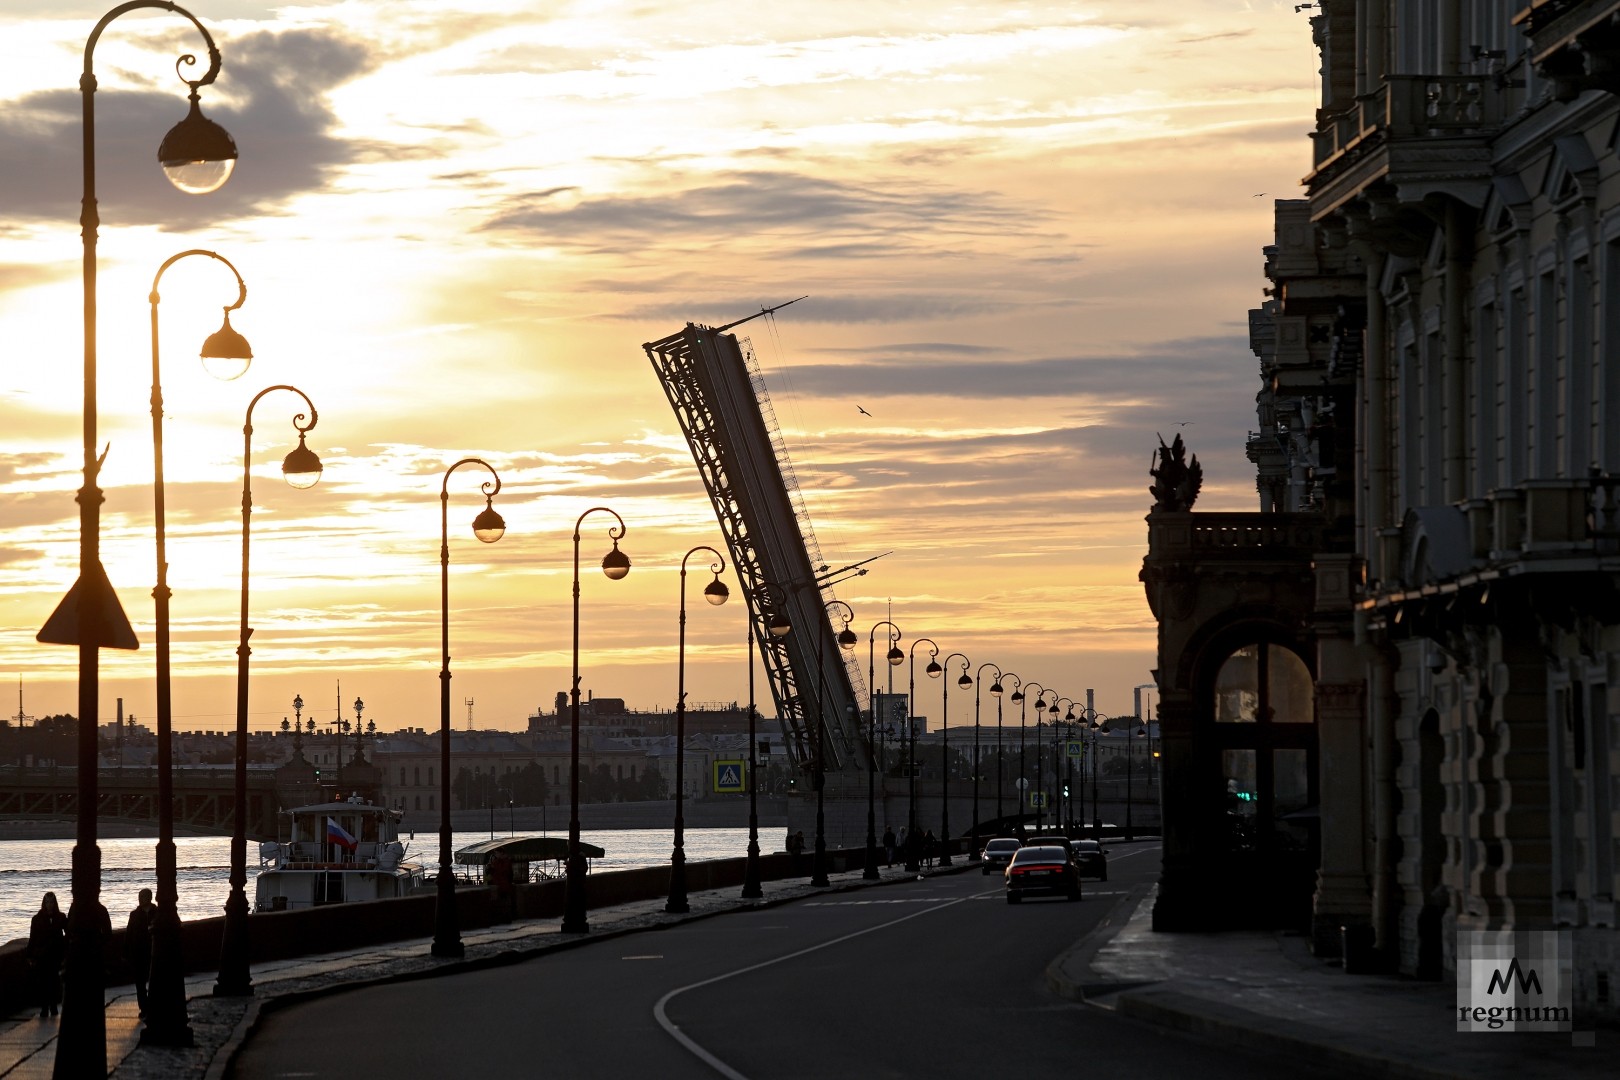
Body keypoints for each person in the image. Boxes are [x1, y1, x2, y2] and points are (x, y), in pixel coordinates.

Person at [27, 892, 68, 1020]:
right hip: (42, 956)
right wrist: (30, 955)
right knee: (43, 982)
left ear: (55, 903)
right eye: (47, 902)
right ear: (44, 904)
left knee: (54, 981)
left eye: (52, 902)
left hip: (56, 955)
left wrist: (64, 949)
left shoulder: (61, 917)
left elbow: (69, 934)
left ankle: (53, 1006)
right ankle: (45, 1008)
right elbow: (32, 938)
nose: (49, 905)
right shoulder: (37, 919)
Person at [125, 888, 155, 1017]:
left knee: (154, 980)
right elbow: (129, 934)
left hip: (153, 952)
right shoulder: (134, 914)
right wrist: (126, 952)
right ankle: (144, 1008)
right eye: (139, 896)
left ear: (149, 898)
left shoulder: (157, 912)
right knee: (140, 983)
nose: (140, 899)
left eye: (142, 896)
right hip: (138, 953)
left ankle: (152, 1005)